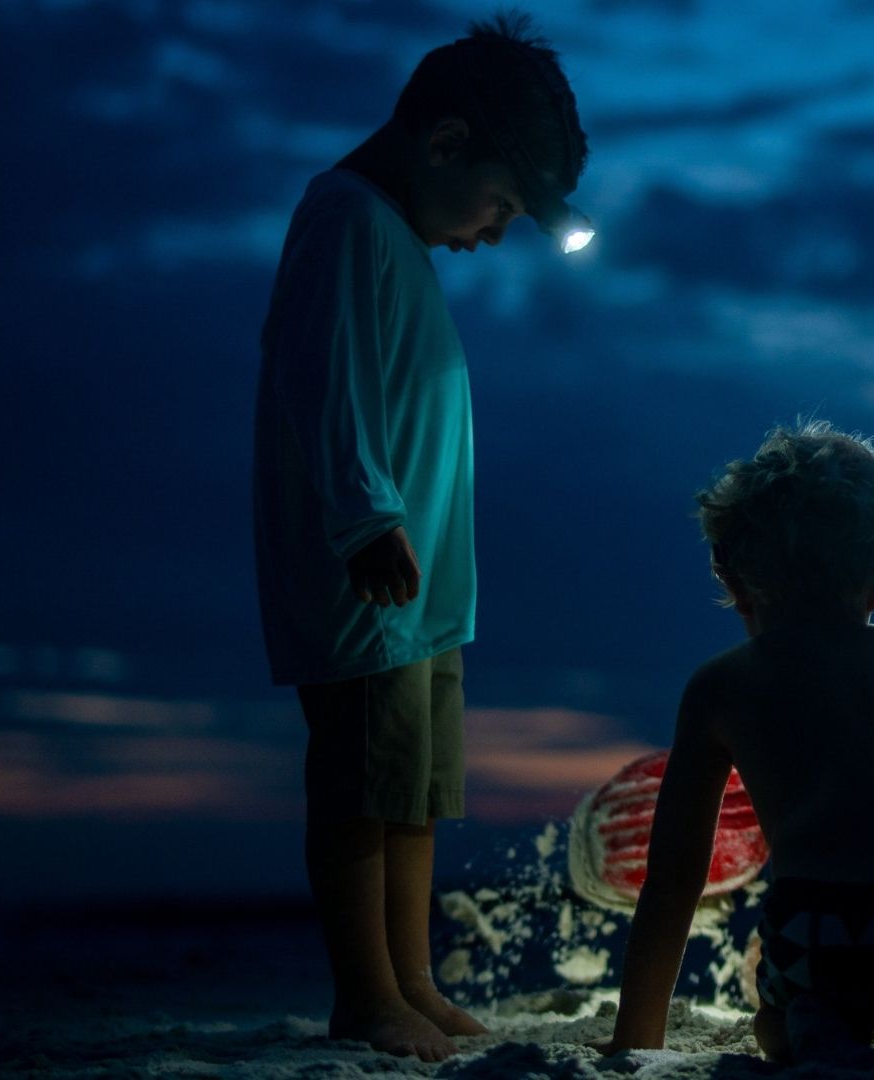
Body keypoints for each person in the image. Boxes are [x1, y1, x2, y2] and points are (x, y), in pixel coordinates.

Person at [251, 12, 590, 1060]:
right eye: (499, 205)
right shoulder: (347, 218)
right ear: (445, 144)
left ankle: (412, 978)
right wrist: (365, 520)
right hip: (371, 576)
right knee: (361, 783)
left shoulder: (396, 236)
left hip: (424, 588)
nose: (494, 234)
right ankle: (366, 994)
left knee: (413, 789)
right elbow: (331, 383)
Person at [603, 424, 874, 1073]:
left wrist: (634, 1040)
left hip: (839, 925)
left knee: (776, 1023)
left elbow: (674, 877)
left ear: (729, 572)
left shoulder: (724, 685)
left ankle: (822, 1035)